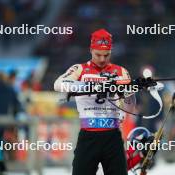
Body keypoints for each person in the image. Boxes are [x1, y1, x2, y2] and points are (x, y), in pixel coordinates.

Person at [54, 29, 135, 175]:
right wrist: (89, 86)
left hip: (113, 136)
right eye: (98, 55)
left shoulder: (121, 71)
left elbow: (130, 103)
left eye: (106, 55)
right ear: (91, 50)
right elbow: (58, 84)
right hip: (88, 136)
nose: (102, 59)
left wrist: (123, 90)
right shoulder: (80, 69)